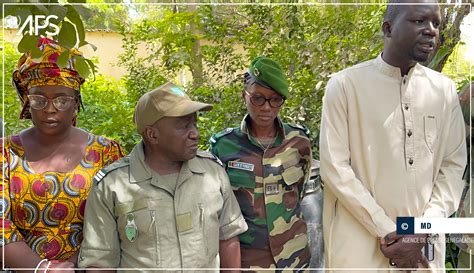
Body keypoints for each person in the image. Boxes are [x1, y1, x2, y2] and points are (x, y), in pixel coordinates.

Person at [319, 0, 467, 271]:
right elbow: (334, 169)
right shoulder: (345, 86)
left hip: (423, 251)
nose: (431, 30)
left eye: (435, 23)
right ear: (388, 28)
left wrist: (422, 228)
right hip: (359, 251)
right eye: (419, 21)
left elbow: (453, 165)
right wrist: (389, 230)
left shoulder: (443, 91)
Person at [78, 82, 247, 272]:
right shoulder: (112, 186)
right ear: (152, 135)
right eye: (184, 127)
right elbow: (101, 262)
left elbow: (228, 236)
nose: (195, 134)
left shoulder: (212, 172)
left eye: (194, 123)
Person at [1, 38, 124, 272]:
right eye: (39, 99)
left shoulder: (106, 153)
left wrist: (81, 263)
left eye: (61, 99)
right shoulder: (5, 154)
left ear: (76, 103)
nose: (50, 108)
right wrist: (42, 268)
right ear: (27, 101)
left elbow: (120, 218)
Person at [210, 57, 312, 271]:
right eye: (258, 98)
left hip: (293, 258)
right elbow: (217, 208)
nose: (266, 107)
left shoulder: (299, 142)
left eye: (275, 100)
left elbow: (299, 193)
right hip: (247, 261)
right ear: (244, 96)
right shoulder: (223, 147)